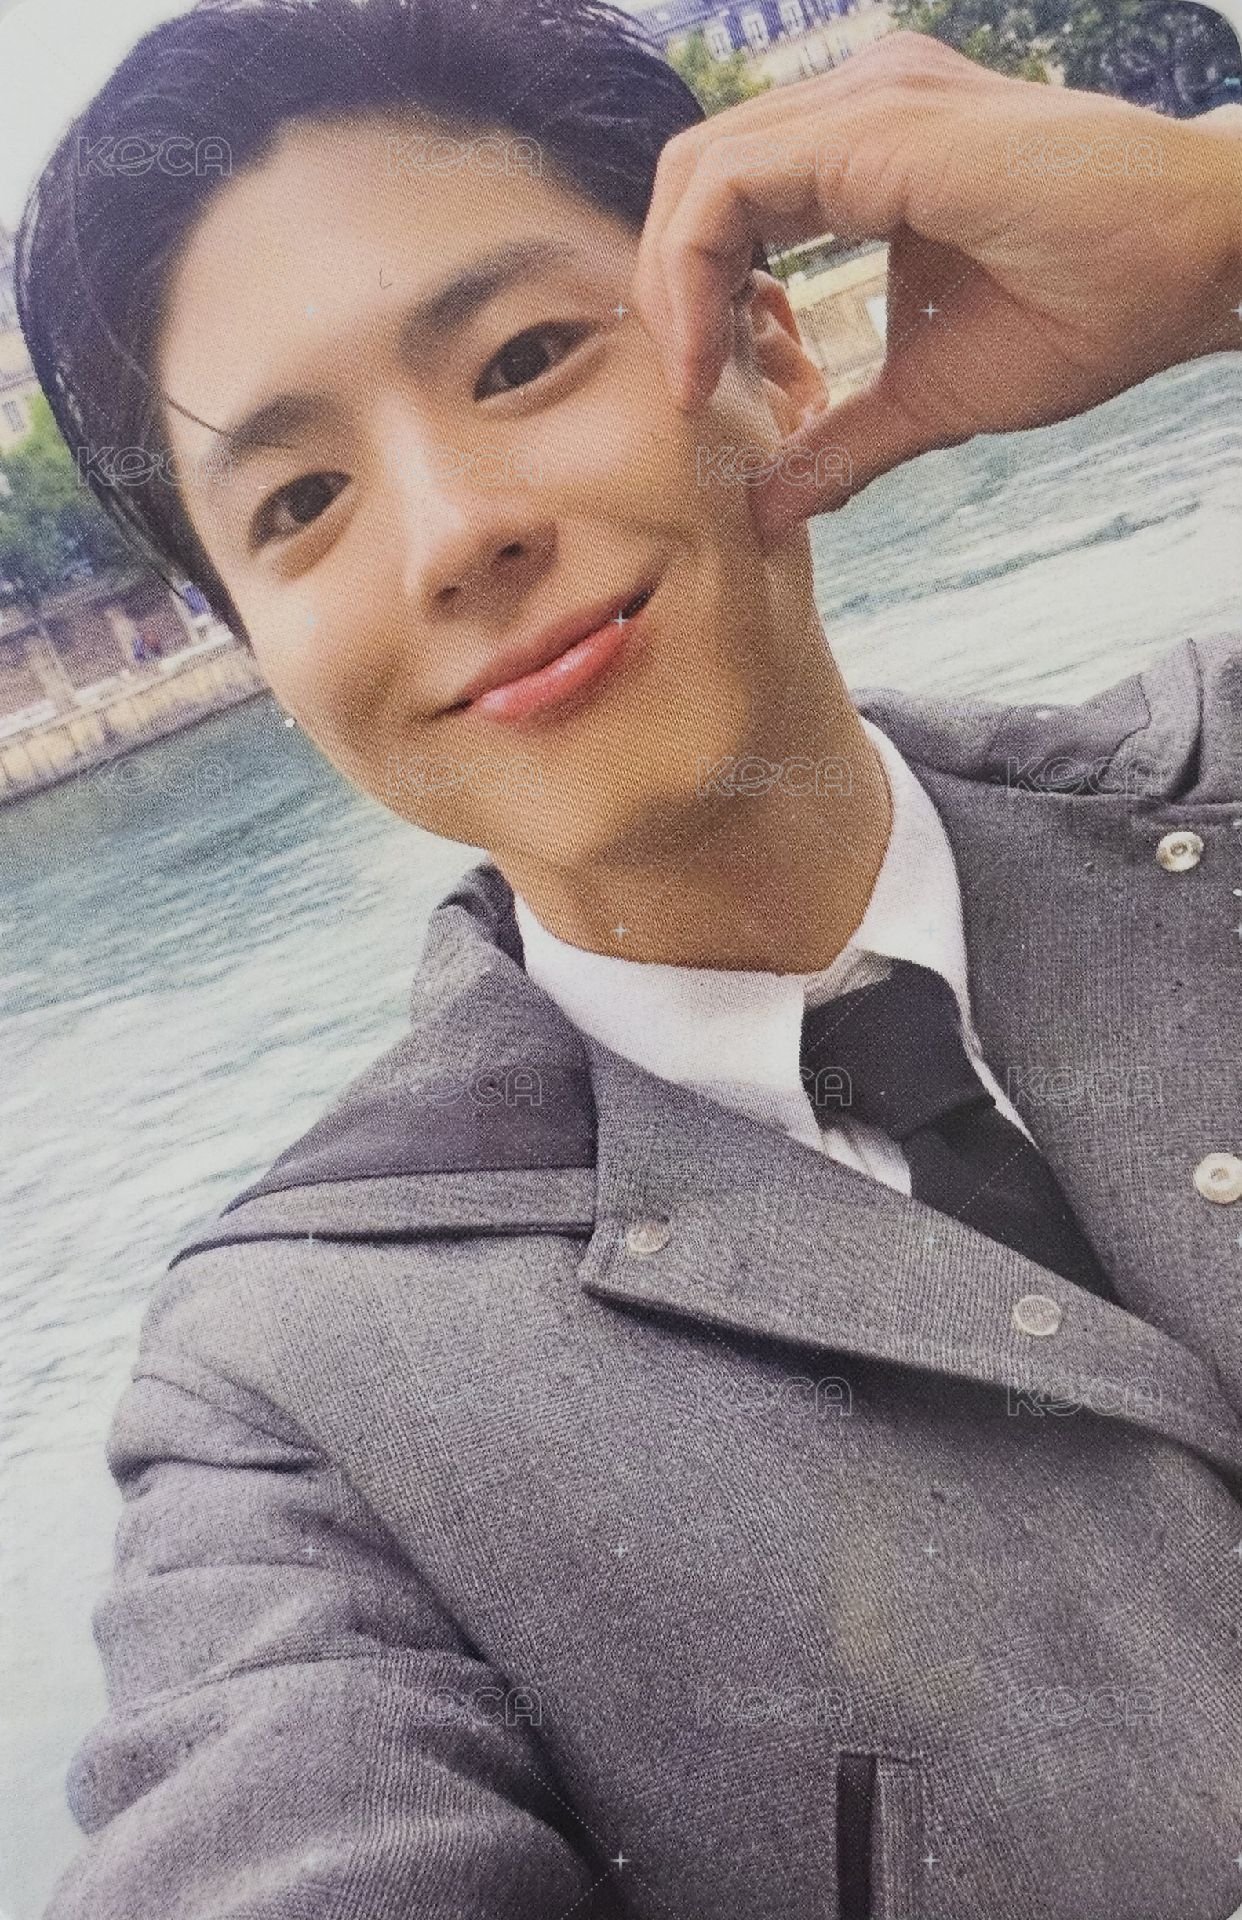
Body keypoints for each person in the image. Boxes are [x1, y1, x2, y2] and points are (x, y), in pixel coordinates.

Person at [14, 1, 1242, 1914]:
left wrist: (1224, 226)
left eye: (521, 357)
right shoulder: (298, 1414)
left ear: (769, 344)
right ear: (261, 651)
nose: (453, 534)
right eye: (301, 503)